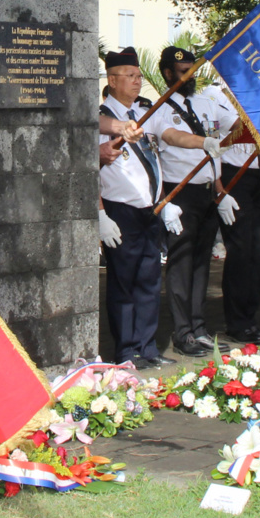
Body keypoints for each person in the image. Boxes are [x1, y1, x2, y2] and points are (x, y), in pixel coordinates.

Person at [148, 47, 238, 356]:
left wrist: (220, 190)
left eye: (192, 69)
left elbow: (213, 155)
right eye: (184, 71)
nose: (191, 75)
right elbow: (172, 137)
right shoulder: (159, 108)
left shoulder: (202, 104)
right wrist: (204, 142)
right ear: (168, 74)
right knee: (181, 265)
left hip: (206, 193)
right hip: (179, 193)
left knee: (202, 264)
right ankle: (182, 332)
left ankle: (199, 328)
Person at [98, 48, 179, 370]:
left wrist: (205, 143)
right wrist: (101, 214)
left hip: (150, 210)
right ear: (112, 79)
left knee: (149, 280)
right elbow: (89, 159)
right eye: (130, 76)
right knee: (123, 283)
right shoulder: (100, 116)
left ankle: (148, 347)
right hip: (121, 210)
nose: (137, 81)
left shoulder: (146, 111)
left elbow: (169, 137)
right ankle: (126, 351)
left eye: (139, 75)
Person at [213, 87, 260, 344]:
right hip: (235, 175)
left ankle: (250, 319)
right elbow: (231, 131)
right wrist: (220, 190)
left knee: (257, 251)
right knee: (241, 251)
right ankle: (237, 322)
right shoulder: (216, 96)